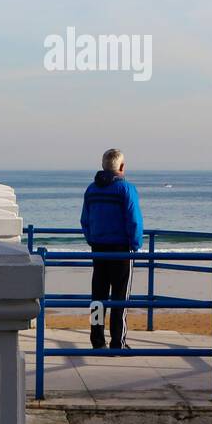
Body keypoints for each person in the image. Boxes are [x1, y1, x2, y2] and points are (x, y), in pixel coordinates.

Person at [80, 148, 144, 350]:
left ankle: (97, 341)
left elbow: (85, 220)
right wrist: (135, 244)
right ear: (122, 167)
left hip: (98, 249)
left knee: (98, 297)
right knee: (120, 297)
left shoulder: (91, 189)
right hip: (121, 249)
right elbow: (134, 220)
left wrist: (92, 239)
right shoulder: (126, 189)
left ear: (102, 166)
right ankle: (118, 341)